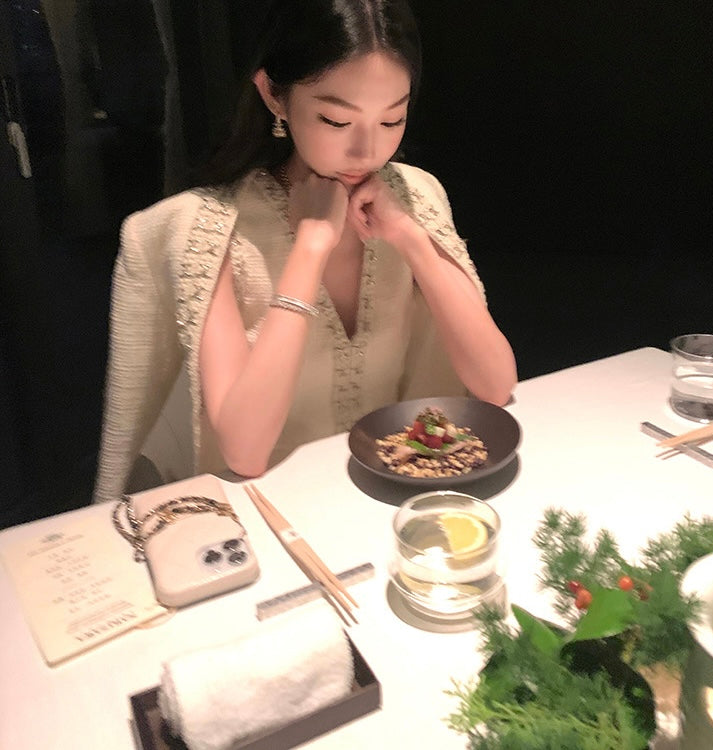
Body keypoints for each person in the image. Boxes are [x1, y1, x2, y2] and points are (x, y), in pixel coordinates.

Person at [94, 0, 516, 503]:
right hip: (275, 514)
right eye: (336, 121)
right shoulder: (209, 228)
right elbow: (245, 452)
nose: (368, 151)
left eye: (392, 120)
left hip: (399, 495)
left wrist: (409, 237)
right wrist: (310, 249)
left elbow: (495, 384)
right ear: (274, 95)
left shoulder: (416, 196)